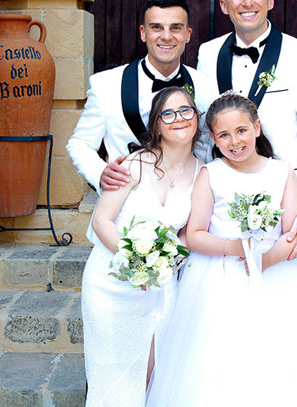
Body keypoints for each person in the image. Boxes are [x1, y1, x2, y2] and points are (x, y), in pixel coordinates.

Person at [146, 93, 297, 407]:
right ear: (213, 138)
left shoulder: (282, 173)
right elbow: (195, 234)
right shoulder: (211, 174)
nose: (234, 141)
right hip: (218, 277)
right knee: (221, 359)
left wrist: (263, 260)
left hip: (276, 273)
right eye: (224, 135)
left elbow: (292, 235)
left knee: (281, 356)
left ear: (257, 127)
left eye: (241, 130)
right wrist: (235, 248)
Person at [197, 0, 297, 260]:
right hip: (221, 204)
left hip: (283, 207)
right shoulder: (207, 54)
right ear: (223, 5)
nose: (247, 2)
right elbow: (206, 133)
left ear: (270, 0)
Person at [81, 87, 203, 407]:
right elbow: (102, 221)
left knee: (152, 371)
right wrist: (135, 257)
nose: (179, 119)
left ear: (197, 118)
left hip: (158, 284)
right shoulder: (134, 163)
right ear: (157, 124)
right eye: (168, 114)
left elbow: (189, 234)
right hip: (110, 281)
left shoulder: (202, 172)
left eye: (186, 111)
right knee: (111, 371)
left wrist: (166, 259)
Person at [67, 0, 213, 196]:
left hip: (183, 205)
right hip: (122, 203)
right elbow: (79, 143)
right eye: (157, 27)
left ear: (188, 34)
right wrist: (99, 173)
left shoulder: (205, 86)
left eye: (175, 28)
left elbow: (206, 146)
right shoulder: (105, 84)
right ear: (143, 33)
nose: (166, 36)